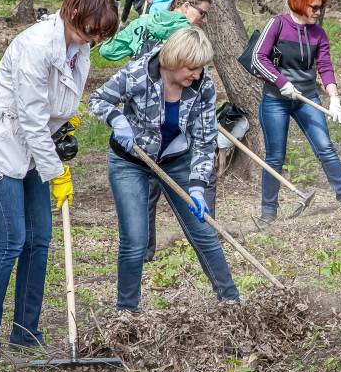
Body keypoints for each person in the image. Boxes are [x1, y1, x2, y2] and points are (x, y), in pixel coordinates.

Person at [0, 0, 119, 348]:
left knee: (40, 239)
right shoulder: (35, 46)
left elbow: (57, 105)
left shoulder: (80, 49)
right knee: (10, 241)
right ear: (75, 10)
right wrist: (57, 173)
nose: (94, 38)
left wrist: (65, 123)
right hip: (0, 144)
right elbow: (31, 120)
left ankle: (26, 332)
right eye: (92, 28)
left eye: (100, 34)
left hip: (36, 147)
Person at [90, 26, 240, 311]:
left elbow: (205, 139)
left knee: (203, 232)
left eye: (201, 69)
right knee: (135, 240)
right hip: (130, 162)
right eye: (192, 68)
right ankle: (127, 314)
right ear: (174, 59)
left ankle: (232, 302)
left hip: (177, 162)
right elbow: (98, 99)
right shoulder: (136, 73)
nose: (197, 75)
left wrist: (197, 185)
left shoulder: (203, 87)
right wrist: (117, 120)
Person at [99, 0, 214, 262]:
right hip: (172, 114)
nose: (202, 19)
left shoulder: (145, 20)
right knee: (194, 176)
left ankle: (145, 251)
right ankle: (203, 235)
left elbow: (107, 51)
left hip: (138, 113)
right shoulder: (186, 34)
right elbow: (197, 73)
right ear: (186, 5)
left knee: (145, 188)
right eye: (202, 12)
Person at [251, 0, 341, 222]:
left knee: (325, 147)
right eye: (314, 8)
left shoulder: (318, 33)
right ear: (299, 5)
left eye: (321, 8)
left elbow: (325, 67)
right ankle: (268, 212)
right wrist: (280, 82)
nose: (319, 12)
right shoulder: (277, 25)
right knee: (275, 156)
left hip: (306, 98)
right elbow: (258, 57)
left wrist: (334, 99)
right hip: (275, 100)